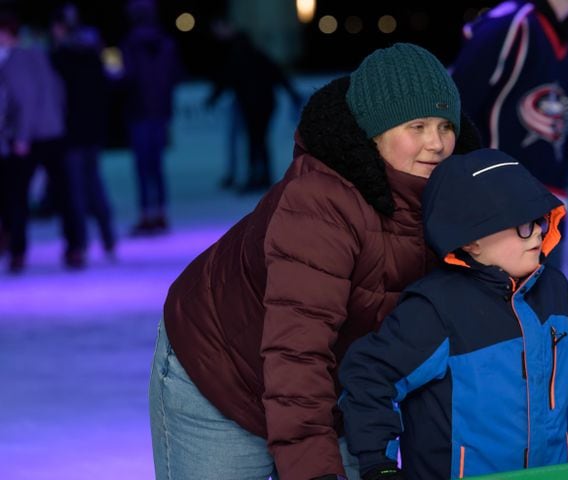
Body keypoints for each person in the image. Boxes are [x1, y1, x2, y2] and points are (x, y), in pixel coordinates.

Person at [150, 42, 481, 480]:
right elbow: (296, 353)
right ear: (373, 133)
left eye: (444, 126)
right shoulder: (320, 206)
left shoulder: (458, 202)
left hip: (333, 395)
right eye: (416, 126)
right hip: (221, 376)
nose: (436, 144)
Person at [338, 148, 568, 479]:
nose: (537, 232)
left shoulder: (553, 291)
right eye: (522, 225)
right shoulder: (436, 309)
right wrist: (377, 462)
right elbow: (370, 377)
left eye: (538, 220)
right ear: (471, 241)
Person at [450, 0, 568, 268]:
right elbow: (455, 107)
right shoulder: (511, 24)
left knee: (546, 306)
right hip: (499, 207)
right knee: (499, 308)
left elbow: (559, 130)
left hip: (551, 207)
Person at [0, 11, 75, 272]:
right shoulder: (39, 55)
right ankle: (75, 247)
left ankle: (18, 252)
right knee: (63, 193)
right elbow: (58, 90)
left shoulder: (15, 61)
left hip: (32, 138)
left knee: (17, 196)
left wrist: (21, 136)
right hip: (54, 131)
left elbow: (26, 101)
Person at [50, 3, 117, 259]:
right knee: (95, 185)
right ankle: (107, 237)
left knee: (76, 191)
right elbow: (113, 81)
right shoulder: (94, 54)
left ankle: (80, 244)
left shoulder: (59, 59)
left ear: (60, 29)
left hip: (71, 133)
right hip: (93, 131)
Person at [205, 26, 303, 192]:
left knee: (254, 140)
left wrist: (212, 99)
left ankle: (256, 176)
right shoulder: (259, 55)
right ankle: (263, 175)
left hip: (253, 106)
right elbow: (279, 75)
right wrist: (293, 94)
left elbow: (224, 80)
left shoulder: (237, 58)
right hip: (265, 105)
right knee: (261, 140)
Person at [120, 0, 181, 235]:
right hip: (159, 112)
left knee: (143, 166)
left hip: (139, 112)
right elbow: (175, 75)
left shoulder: (131, 44)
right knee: (156, 165)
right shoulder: (166, 43)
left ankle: (147, 213)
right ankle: (161, 213)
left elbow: (128, 77)